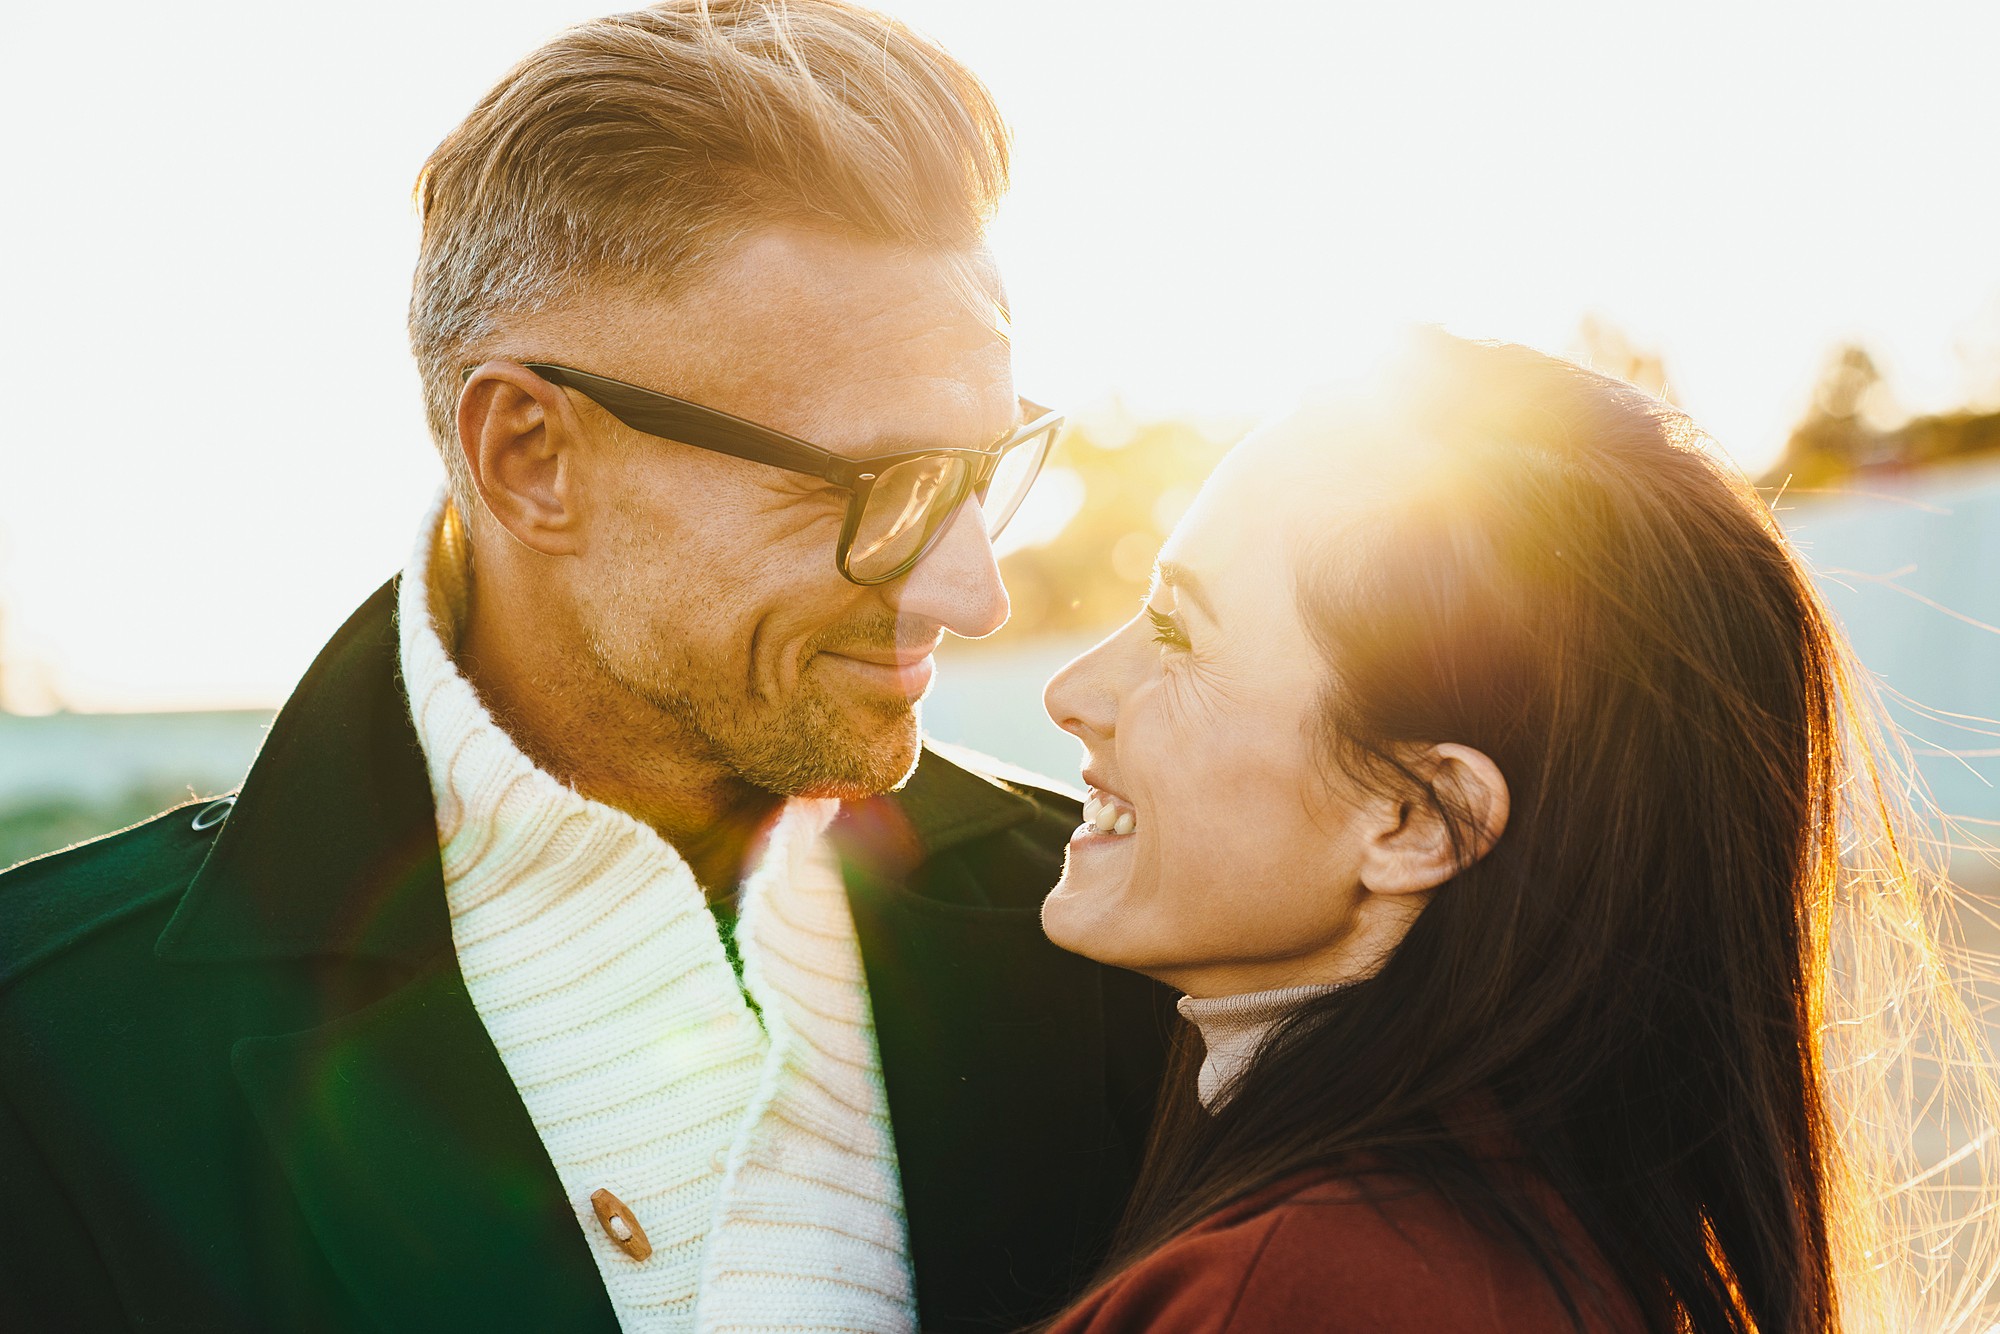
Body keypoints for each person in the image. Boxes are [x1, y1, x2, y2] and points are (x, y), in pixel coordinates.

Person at [0, 4, 1169, 1330]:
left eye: (983, 470)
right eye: (884, 487)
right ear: (529, 458)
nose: (975, 588)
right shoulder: (45, 1061)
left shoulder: (1129, 944)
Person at [1033, 333, 2000, 1332]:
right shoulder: (1522, 1232)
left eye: (1178, 634)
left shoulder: (1320, 1286)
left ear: (1412, 819)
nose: (1073, 691)